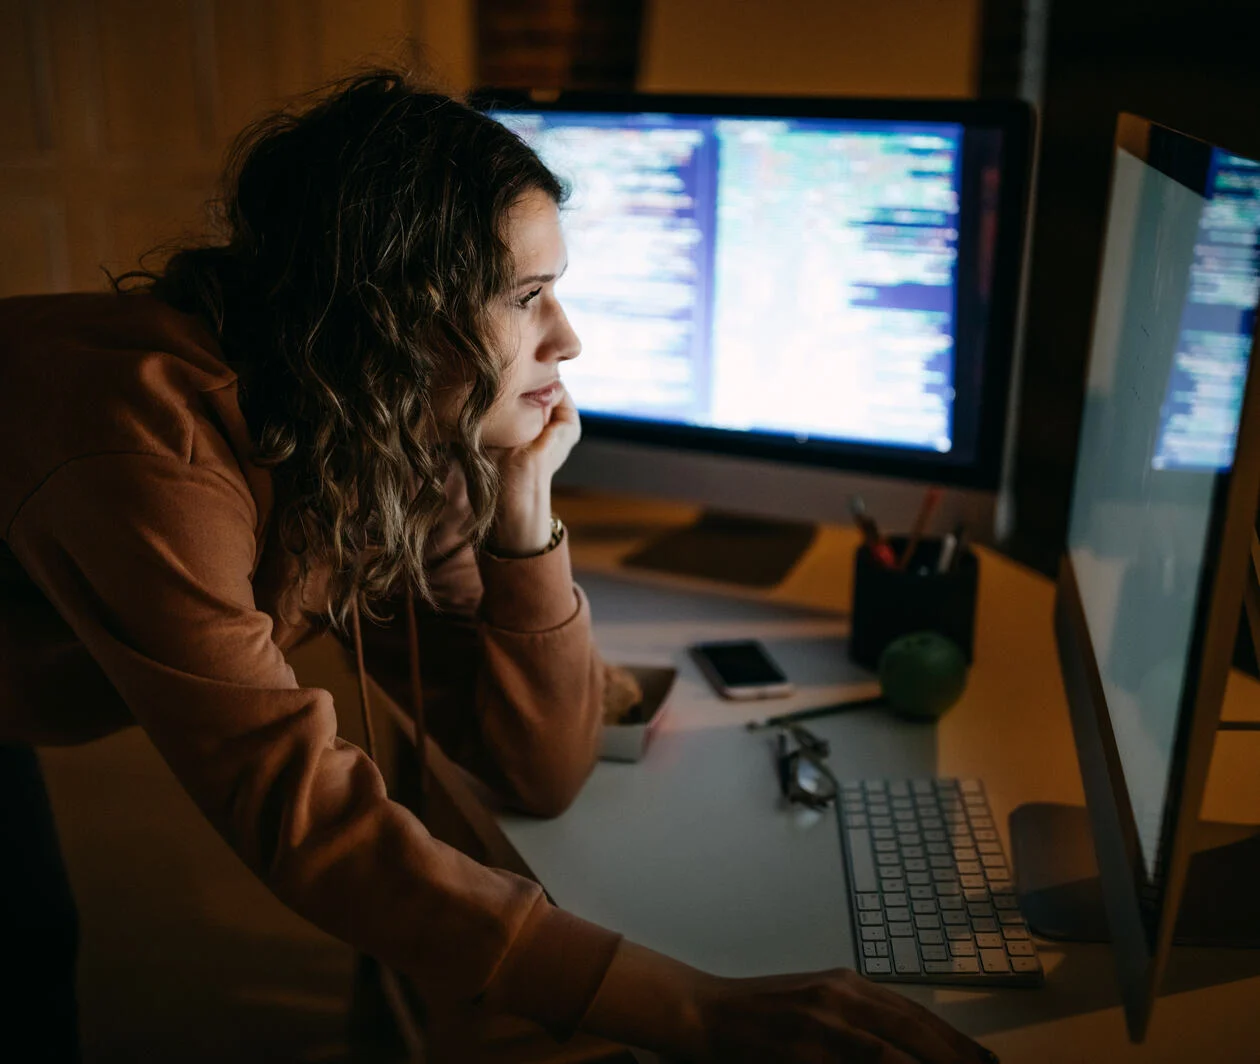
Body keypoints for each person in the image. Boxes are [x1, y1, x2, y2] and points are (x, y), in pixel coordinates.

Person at [0, 70, 998, 1064]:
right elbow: (307, 825)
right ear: (390, 314)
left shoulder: (384, 425)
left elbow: (539, 764)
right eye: (528, 297)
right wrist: (694, 1010)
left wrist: (525, 510)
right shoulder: (150, 455)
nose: (569, 338)